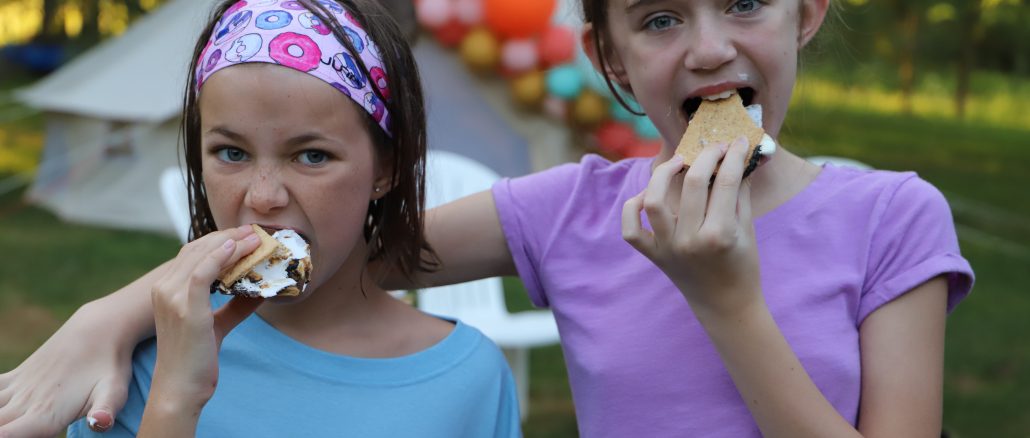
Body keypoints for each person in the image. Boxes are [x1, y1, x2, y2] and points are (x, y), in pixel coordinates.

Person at [0, 0, 974, 436]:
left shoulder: (893, 219)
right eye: (659, 19)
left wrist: (727, 302)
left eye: (746, 3)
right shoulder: (575, 211)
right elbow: (320, 247)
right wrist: (107, 319)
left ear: (807, 13)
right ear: (610, 57)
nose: (710, 48)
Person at [30, 0, 520, 436]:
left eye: (312, 156)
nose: (263, 197)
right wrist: (175, 400)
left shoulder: (470, 380)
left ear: (386, 169)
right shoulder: (137, 365)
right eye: (231, 152)